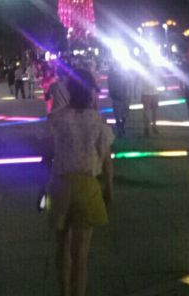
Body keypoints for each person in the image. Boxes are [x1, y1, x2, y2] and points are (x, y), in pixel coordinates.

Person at [47, 69, 114, 296]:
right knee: (81, 254)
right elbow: (107, 160)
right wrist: (109, 188)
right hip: (87, 186)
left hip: (59, 185)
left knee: (61, 247)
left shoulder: (57, 118)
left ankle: (64, 291)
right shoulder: (97, 121)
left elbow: (47, 152)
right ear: (90, 92)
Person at [136, 56, 160, 136]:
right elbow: (138, 80)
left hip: (154, 91)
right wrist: (138, 92)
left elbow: (159, 76)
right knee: (147, 111)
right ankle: (147, 128)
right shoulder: (142, 68)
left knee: (154, 111)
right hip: (146, 92)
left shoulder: (154, 67)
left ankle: (153, 126)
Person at [107, 59, 130, 137]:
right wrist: (112, 94)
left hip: (123, 96)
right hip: (117, 96)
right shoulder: (112, 75)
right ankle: (120, 128)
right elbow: (110, 85)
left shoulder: (123, 74)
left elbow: (127, 84)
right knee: (118, 114)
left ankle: (121, 127)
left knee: (123, 113)